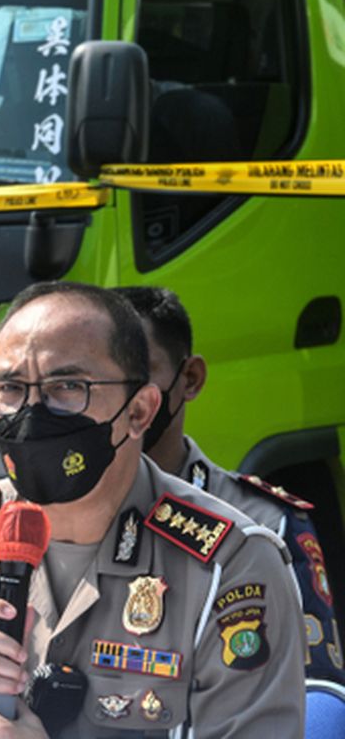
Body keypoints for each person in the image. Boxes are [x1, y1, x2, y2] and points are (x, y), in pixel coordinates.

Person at [0, 281, 304, 737]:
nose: (31, 412)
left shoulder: (230, 564)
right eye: (10, 387)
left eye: (67, 386)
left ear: (140, 411)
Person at [116, 284, 344, 683]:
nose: (115, 394)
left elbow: (317, 691)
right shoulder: (48, 514)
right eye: (93, 376)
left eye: (136, 373)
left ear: (190, 378)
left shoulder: (264, 523)